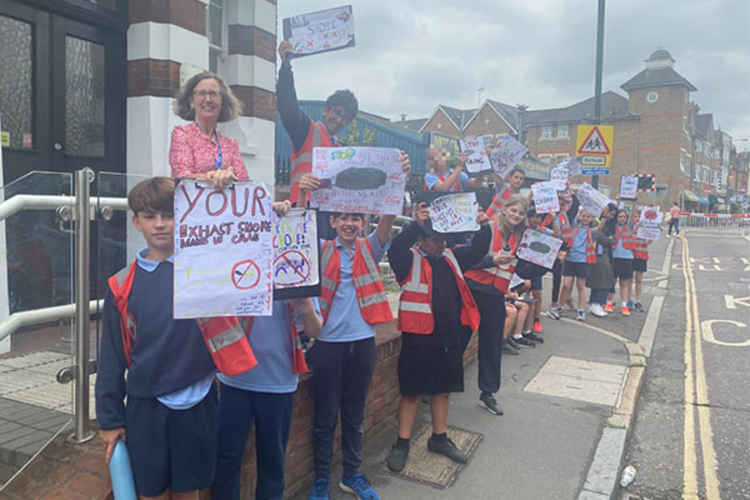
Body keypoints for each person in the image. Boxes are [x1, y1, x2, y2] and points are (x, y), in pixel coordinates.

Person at [96, 178, 230, 500]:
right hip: (147, 407)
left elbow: (241, 237)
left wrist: (221, 185)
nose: (160, 224)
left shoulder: (207, 272)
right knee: (150, 493)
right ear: (136, 222)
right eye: (150, 216)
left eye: (169, 215)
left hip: (197, 400)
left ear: (183, 217)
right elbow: (111, 357)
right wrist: (109, 419)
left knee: (189, 493)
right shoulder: (121, 284)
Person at [297, 155, 411, 500]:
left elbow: (388, 217)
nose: (349, 223)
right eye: (343, 217)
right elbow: (297, 229)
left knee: (355, 414)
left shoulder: (371, 248)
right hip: (327, 344)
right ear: (332, 220)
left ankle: (352, 475)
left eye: (356, 218)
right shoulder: (319, 249)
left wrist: (396, 178)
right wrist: (303, 195)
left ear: (364, 222)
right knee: (325, 416)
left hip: (362, 343)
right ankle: (320, 480)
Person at [385, 202, 490, 472]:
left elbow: (479, 248)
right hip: (418, 338)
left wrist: (483, 225)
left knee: (442, 390)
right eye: (433, 239)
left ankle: (439, 438)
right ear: (421, 240)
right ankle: (402, 442)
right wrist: (416, 224)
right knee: (411, 392)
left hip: (448, 338)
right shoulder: (407, 259)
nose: (439, 244)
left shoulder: (452, 257)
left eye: (442, 239)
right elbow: (396, 245)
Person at [212, 295, 323, 500]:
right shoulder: (232, 263)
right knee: (226, 460)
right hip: (234, 380)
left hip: (278, 382)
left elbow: (316, 330)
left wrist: (307, 309)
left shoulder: (294, 265)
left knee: (272, 463)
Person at [464, 194, 527, 415]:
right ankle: (436, 387)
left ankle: (488, 392)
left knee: (492, 345)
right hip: (473, 289)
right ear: (504, 210)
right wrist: (492, 260)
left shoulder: (519, 238)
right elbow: (467, 259)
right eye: (513, 211)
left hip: (495, 295)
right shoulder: (487, 229)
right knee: (458, 339)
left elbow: (515, 269)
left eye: (520, 213)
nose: (516, 216)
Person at [277, 40, 358, 207]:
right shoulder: (307, 130)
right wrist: (286, 67)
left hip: (329, 211)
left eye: (345, 118)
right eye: (338, 113)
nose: (340, 120)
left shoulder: (340, 149)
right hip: (302, 207)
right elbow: (288, 106)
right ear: (325, 111)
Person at [170, 72, 248, 188]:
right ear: (191, 101)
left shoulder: (231, 144)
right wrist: (214, 177)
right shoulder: (182, 134)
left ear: (222, 101)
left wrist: (272, 205)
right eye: (202, 93)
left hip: (228, 206)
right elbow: (182, 176)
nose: (208, 99)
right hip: (195, 205)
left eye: (213, 94)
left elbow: (245, 184)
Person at [559, 209, 597, 321]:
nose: (585, 218)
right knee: (566, 285)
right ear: (579, 217)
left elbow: (601, 226)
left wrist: (604, 218)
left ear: (591, 219)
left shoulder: (591, 231)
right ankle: (560, 306)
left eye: (588, 217)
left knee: (581, 286)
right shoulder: (573, 228)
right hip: (570, 260)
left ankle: (581, 310)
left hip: (583, 261)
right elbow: (565, 221)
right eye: (583, 216)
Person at [586, 204, 617, 317]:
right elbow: (596, 235)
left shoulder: (611, 225)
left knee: (605, 280)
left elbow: (613, 240)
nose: (611, 217)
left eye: (613, 215)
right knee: (600, 280)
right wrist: (608, 240)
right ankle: (596, 303)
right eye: (610, 213)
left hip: (606, 254)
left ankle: (597, 303)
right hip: (596, 254)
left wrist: (609, 240)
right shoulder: (595, 221)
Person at [612, 209, 636, 316]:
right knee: (612, 282)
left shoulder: (630, 226)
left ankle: (624, 305)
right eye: (620, 216)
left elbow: (633, 214)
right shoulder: (612, 227)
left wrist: (634, 202)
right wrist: (617, 202)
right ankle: (609, 302)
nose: (622, 219)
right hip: (614, 257)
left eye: (624, 217)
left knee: (624, 283)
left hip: (627, 258)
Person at [629, 207, 651, 313]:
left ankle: (638, 300)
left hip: (641, 255)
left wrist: (649, 239)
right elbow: (629, 237)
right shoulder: (630, 227)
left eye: (639, 217)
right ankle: (628, 299)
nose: (637, 219)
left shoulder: (646, 229)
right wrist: (636, 228)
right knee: (628, 279)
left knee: (639, 280)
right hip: (631, 255)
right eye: (635, 217)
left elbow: (648, 242)